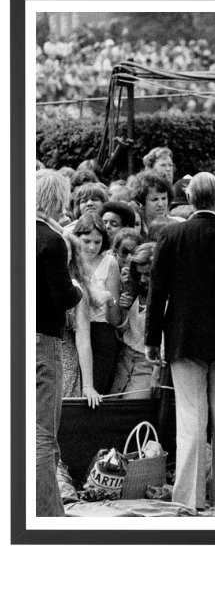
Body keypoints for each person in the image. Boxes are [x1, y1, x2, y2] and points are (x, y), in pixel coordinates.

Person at [145, 172, 215, 510]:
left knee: (191, 419)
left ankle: (190, 499)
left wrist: (152, 338)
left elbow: (157, 292)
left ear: (190, 197)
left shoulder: (171, 235)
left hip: (183, 338)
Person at [36, 169, 83, 516]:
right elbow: (64, 297)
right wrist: (81, 288)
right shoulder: (52, 242)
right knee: (42, 434)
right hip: (42, 342)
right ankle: (48, 514)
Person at [72, 211, 123, 394]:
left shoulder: (109, 263)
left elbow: (115, 319)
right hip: (73, 332)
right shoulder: (69, 261)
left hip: (101, 332)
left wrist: (109, 300)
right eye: (87, 241)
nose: (92, 247)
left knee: (97, 389)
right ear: (76, 237)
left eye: (97, 242)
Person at [110, 243, 161, 401]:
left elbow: (166, 339)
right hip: (124, 358)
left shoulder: (166, 300)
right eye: (139, 274)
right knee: (112, 404)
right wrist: (123, 308)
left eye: (148, 274)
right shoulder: (132, 292)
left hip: (148, 363)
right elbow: (121, 331)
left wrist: (157, 374)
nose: (143, 280)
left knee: (132, 407)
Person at [61, 233, 104, 408]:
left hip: (65, 361)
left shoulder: (77, 290)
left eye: (66, 250)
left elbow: (83, 339)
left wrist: (88, 386)